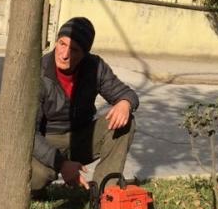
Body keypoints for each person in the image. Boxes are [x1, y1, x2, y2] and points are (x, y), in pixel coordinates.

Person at [31, 16, 138, 194]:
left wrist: (125, 103)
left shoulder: (95, 67)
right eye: (62, 44)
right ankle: (34, 190)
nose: (64, 54)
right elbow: (29, 135)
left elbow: (126, 93)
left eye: (74, 50)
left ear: (84, 53)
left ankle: (105, 194)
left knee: (126, 122)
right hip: (48, 138)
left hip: (81, 138)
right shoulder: (39, 72)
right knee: (40, 175)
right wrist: (62, 164)